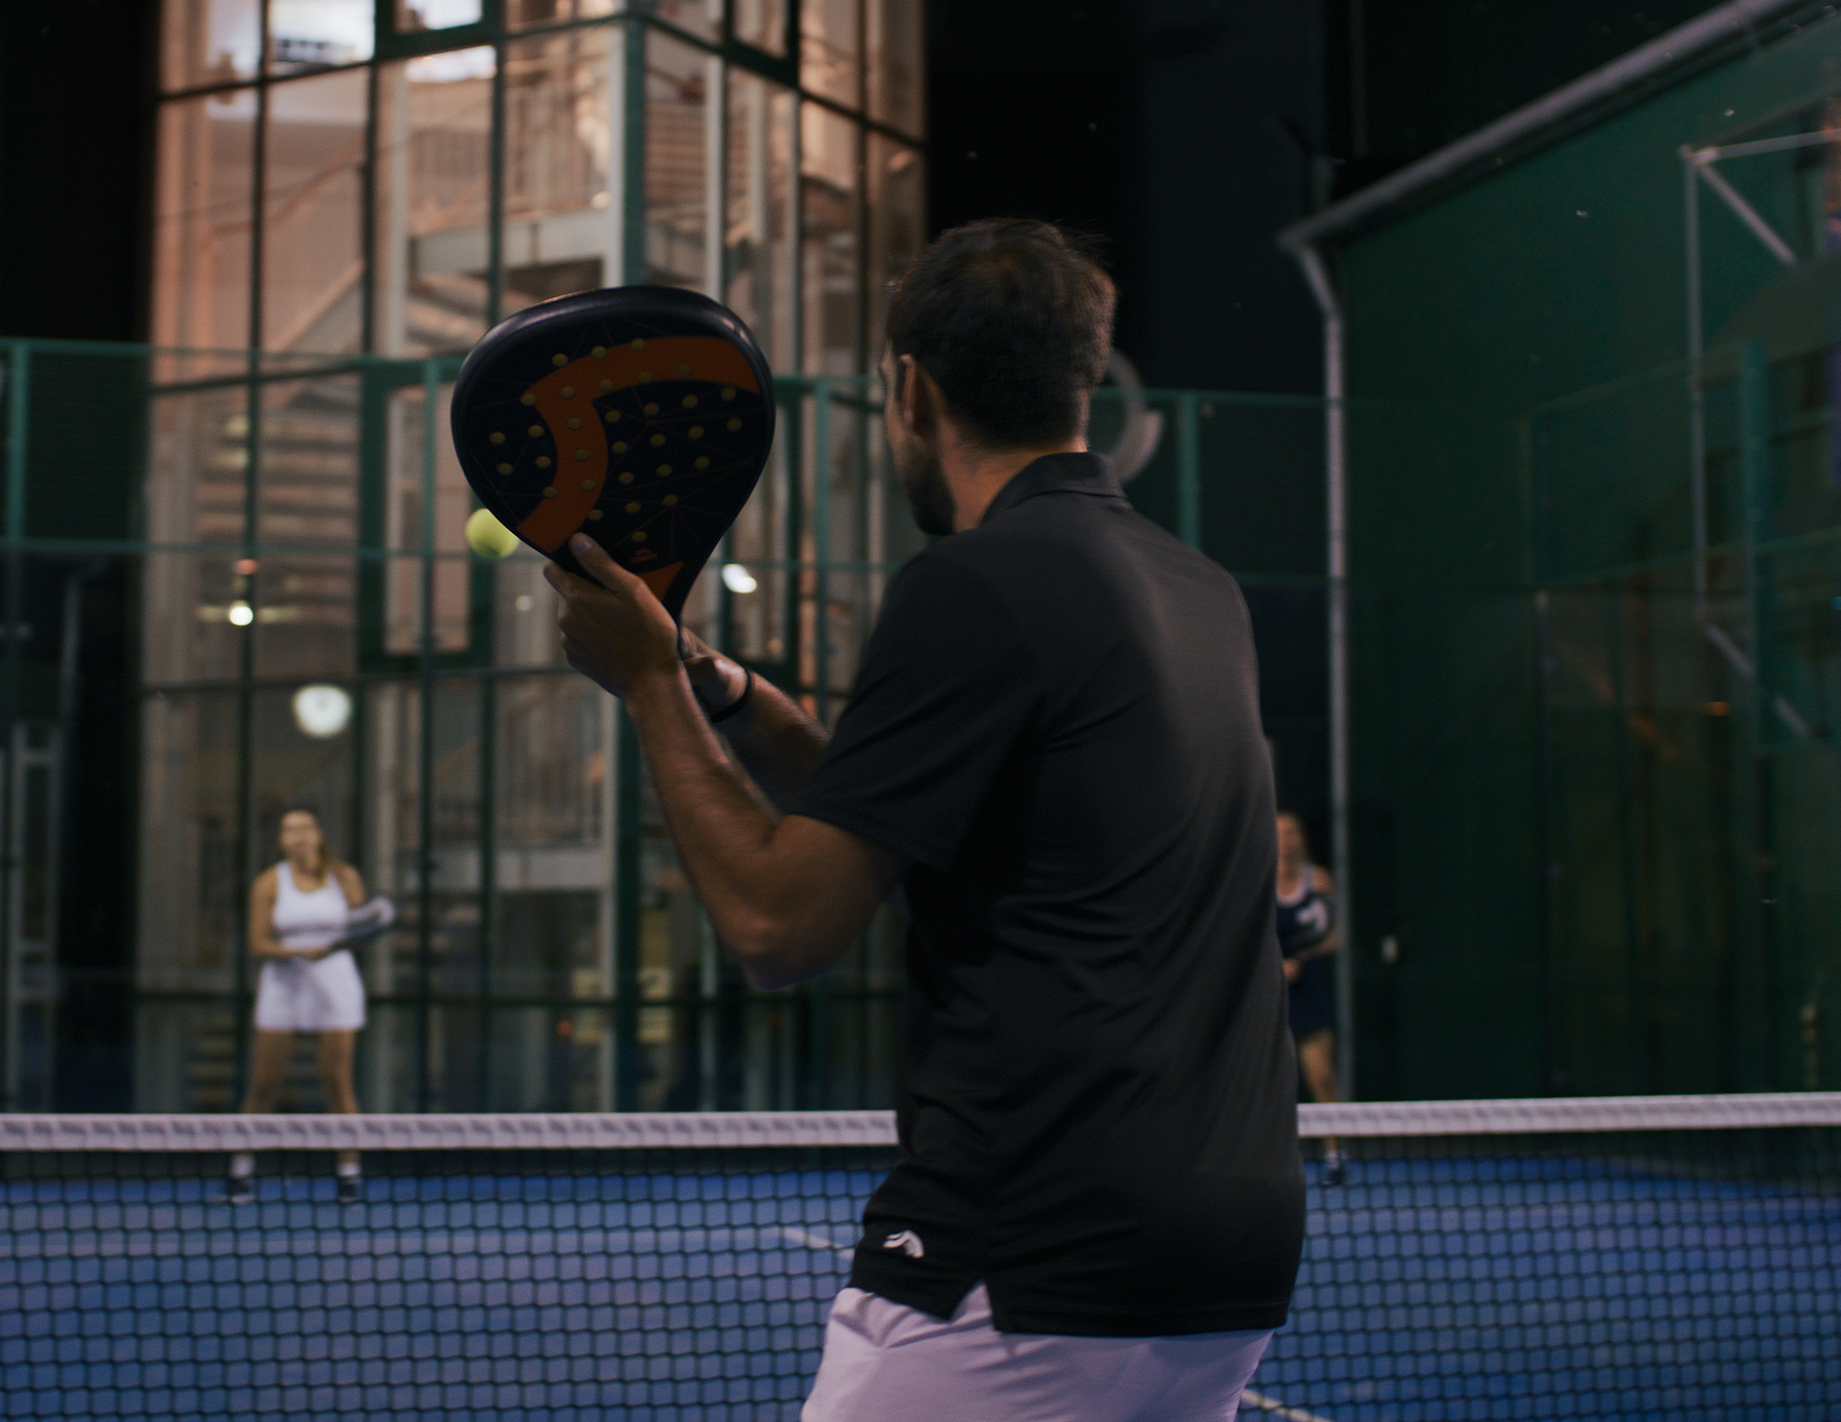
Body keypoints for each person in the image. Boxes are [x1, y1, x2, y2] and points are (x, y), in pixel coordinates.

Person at [545, 217, 1302, 1421]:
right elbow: (940, 829)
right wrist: (715, 690)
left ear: (907, 389)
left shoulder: (975, 583)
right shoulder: (1192, 592)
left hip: (1027, 1254)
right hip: (1228, 1260)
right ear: (1082, 380)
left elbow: (774, 927)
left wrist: (642, 687)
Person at [228, 805, 375, 1205]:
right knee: (263, 1085)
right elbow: (258, 942)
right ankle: (240, 1173)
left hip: (335, 985)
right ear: (281, 840)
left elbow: (361, 930)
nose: (299, 835)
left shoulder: (345, 878)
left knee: (338, 1082)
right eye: (290, 830)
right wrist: (297, 953)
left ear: (318, 834)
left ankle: (349, 1175)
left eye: (306, 827)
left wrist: (339, 944)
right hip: (283, 985)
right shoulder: (268, 884)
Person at [1277, 809, 1346, 1185]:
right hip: (1268, 998)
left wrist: (1302, 958)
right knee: (1266, 1084)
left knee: (1322, 1075)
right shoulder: (1253, 879)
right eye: (1277, 833)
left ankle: (1335, 1155)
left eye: (1291, 832)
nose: (1284, 840)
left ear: (1300, 838)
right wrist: (1275, 965)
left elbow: (1333, 937)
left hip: (1308, 992)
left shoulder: (1318, 880)